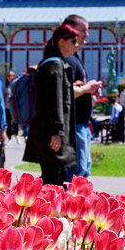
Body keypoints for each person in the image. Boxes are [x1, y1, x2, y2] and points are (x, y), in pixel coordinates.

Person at [23, 25, 80, 186]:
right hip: (50, 135)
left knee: (54, 179)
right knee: (54, 181)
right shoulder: (54, 65)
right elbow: (54, 101)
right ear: (61, 41)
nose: (77, 44)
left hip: (48, 133)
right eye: (74, 40)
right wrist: (57, 133)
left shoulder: (54, 63)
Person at [62, 15, 104, 180]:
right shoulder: (68, 59)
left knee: (82, 171)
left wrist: (88, 91)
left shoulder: (74, 58)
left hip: (80, 124)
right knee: (76, 175)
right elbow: (63, 92)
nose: (87, 34)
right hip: (74, 125)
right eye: (83, 30)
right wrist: (87, 88)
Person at [4, 70, 20, 143]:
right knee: (8, 122)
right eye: (9, 76)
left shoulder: (16, 84)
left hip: (15, 106)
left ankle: (16, 135)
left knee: (16, 121)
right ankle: (9, 137)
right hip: (7, 106)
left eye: (12, 76)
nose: (10, 77)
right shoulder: (5, 86)